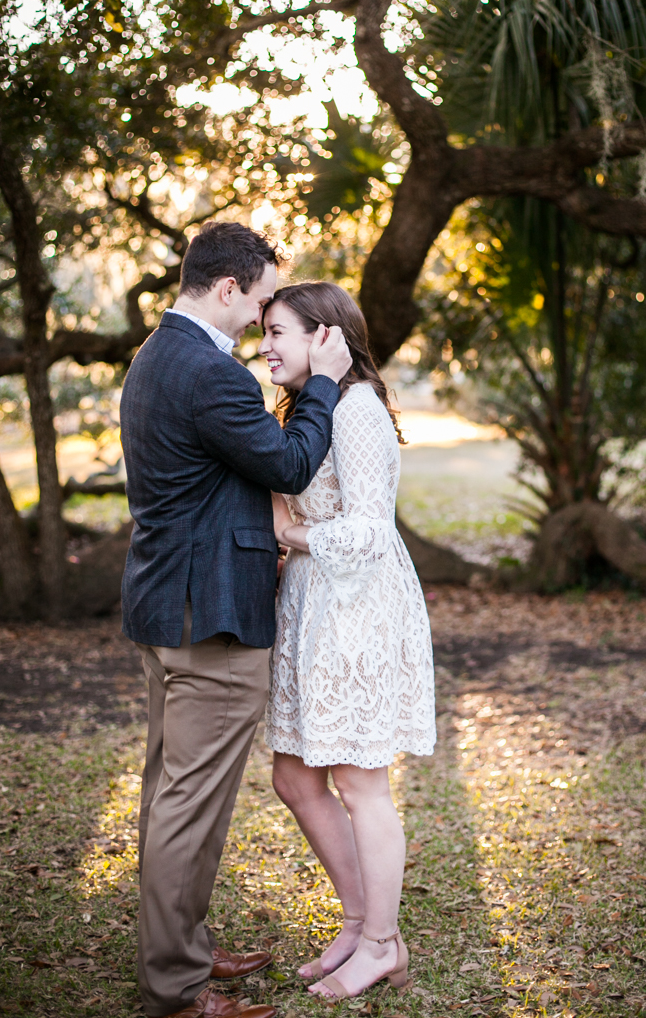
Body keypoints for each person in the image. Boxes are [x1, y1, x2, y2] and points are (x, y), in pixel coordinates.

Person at [120, 223, 352, 1018]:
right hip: (209, 618)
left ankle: (180, 947)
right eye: (258, 302)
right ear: (228, 288)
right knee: (190, 804)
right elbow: (288, 463)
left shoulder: (155, 356)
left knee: (172, 795)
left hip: (167, 603)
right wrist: (321, 384)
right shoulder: (208, 374)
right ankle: (177, 990)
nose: (260, 320)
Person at [259, 281, 436, 1003]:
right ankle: (360, 919)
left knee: (362, 785)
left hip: (354, 609)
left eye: (279, 331)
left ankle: (382, 944)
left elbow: (367, 532)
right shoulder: (311, 406)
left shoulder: (357, 410)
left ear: (324, 337)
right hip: (310, 607)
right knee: (296, 777)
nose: (265, 345)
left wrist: (291, 535)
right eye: (263, 331)